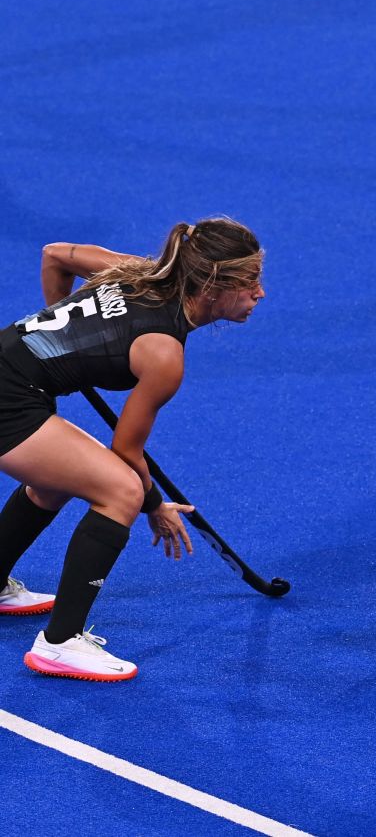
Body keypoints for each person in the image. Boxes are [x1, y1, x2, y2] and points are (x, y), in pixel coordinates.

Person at [0, 218, 265, 680]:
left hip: (9, 370)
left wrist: (62, 337)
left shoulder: (138, 270)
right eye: (248, 284)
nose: (259, 294)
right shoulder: (164, 355)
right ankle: (60, 643)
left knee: (56, 481)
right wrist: (154, 505)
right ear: (212, 286)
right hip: (8, 397)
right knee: (120, 491)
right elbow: (126, 452)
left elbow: (56, 253)